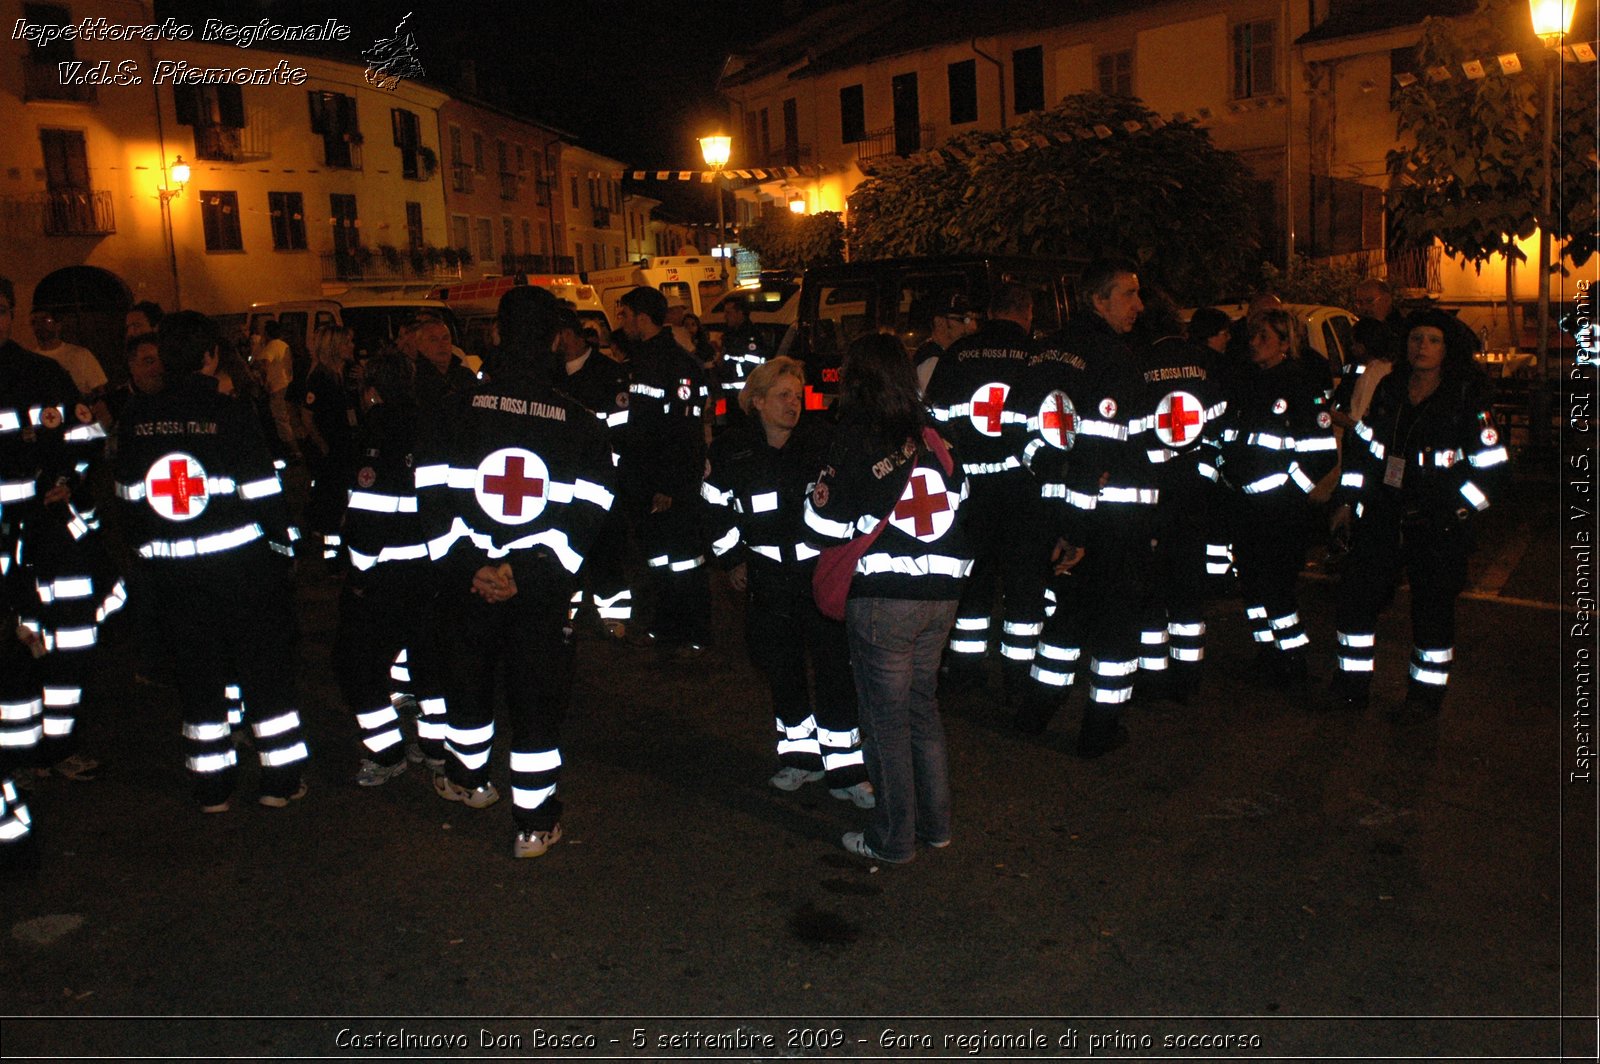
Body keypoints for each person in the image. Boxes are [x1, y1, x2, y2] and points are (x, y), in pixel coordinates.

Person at [416, 284, 616, 858]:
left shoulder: (453, 409)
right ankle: (532, 822)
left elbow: (430, 494)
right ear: (555, 338)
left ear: (497, 335)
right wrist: (529, 571)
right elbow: (593, 506)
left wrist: (473, 567)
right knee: (536, 703)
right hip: (539, 593)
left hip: (468, 585)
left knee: (467, 683)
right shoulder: (579, 421)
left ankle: (469, 781)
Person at [113, 310, 308, 811]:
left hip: (175, 578)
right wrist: (285, 548)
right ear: (210, 355)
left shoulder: (137, 419)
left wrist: (150, 558)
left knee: (199, 682)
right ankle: (280, 781)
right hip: (242, 574)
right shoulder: (228, 414)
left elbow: (127, 502)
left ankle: (212, 786)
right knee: (262, 675)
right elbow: (264, 493)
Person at [804, 332, 972, 864]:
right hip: (943, 594)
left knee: (883, 721)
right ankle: (936, 826)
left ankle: (893, 839)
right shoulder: (934, 434)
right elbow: (962, 497)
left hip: (885, 598)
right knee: (922, 710)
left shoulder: (856, 434)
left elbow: (819, 521)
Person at [703, 356, 871, 806]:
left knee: (835, 669)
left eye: (797, 397)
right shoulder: (732, 450)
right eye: (782, 396)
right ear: (756, 401)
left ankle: (848, 770)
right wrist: (733, 559)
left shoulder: (821, 442)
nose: (792, 405)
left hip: (817, 575)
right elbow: (713, 508)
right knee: (782, 668)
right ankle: (800, 759)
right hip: (767, 576)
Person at [1330, 309, 1506, 720]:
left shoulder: (1466, 395)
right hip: (1383, 514)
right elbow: (1364, 451)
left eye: (1433, 340)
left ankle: (1425, 699)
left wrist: (1459, 510)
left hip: (1436, 523)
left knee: (1432, 615)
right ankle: (1350, 686)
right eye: (1415, 339)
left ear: (1447, 349)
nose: (1422, 347)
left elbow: (1494, 468)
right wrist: (1348, 503)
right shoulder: (1390, 388)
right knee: (1357, 599)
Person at [1012, 256, 1152, 756]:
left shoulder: (1044, 353)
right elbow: (1102, 452)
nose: (1139, 305)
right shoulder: (1113, 359)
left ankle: (1033, 712)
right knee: (1116, 630)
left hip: (1053, 511)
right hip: (1107, 523)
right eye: (1129, 294)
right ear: (1098, 300)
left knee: (1067, 619)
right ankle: (1099, 731)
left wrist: (1050, 483)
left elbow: (1019, 429)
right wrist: (1079, 529)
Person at [923, 281, 1046, 702]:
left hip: (970, 493)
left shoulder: (958, 354)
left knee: (972, 588)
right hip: (1024, 494)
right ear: (1026, 313)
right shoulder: (1037, 356)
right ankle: (1019, 678)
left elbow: (933, 422)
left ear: (990, 313)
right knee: (1024, 589)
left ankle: (965, 674)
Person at [334, 351, 449, 785]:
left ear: (373, 390)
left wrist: (360, 574)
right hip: (434, 574)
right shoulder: (435, 426)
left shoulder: (372, 435)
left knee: (356, 667)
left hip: (384, 579)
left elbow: (367, 516)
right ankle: (436, 748)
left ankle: (386, 752)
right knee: (431, 664)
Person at [1217, 307, 1337, 685]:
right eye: (1252, 336)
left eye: (1264, 337)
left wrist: (1289, 494)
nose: (1254, 344)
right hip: (1243, 506)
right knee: (1251, 584)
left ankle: (1293, 659)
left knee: (1278, 588)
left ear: (1285, 343)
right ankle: (1266, 651)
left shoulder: (1299, 383)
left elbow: (1320, 454)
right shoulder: (1246, 381)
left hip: (1279, 513)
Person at [1126, 290, 1228, 701]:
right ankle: (1188, 681)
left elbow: (1131, 435)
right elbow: (1222, 429)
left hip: (1152, 494)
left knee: (1152, 586)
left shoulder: (1136, 365)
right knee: (1188, 588)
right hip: (1195, 491)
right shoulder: (1209, 364)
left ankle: (1153, 680)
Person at [613, 285, 710, 656]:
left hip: (669, 484)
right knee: (659, 559)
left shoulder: (676, 364)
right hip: (645, 480)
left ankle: (693, 631)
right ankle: (666, 627)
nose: (621, 323)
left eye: (625, 315)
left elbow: (685, 430)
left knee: (683, 559)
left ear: (642, 317)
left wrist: (669, 485)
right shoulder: (644, 360)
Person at [553, 306, 631, 637]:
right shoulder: (550, 373)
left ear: (566, 336)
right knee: (560, 551)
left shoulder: (609, 374)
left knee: (606, 551)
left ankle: (614, 616)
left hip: (601, 482)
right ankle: (563, 616)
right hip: (560, 484)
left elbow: (622, 431)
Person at [301, 325, 358, 565]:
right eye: (347, 342)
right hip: (332, 452)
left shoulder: (344, 375)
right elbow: (307, 416)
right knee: (332, 507)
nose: (352, 346)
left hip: (346, 448)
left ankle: (344, 552)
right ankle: (332, 560)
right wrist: (322, 446)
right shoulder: (320, 378)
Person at [29, 308, 107, 400]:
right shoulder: (30, 360)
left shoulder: (80, 354)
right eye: (35, 322)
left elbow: (99, 390)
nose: (40, 325)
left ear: (58, 325)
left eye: (46, 320)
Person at [254, 319, 301, 463]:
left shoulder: (272, 346)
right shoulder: (284, 345)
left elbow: (264, 364)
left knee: (280, 419)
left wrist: (264, 380)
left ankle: (294, 451)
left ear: (267, 333)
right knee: (288, 418)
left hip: (277, 387)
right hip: (286, 384)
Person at [913, 292, 977, 395]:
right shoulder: (933, 359)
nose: (972, 326)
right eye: (964, 320)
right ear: (939, 322)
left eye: (973, 319)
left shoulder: (946, 356)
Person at [412, 315, 477, 410]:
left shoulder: (465, 376)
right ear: (420, 345)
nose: (442, 344)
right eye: (433, 340)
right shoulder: (414, 379)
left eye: (445, 338)